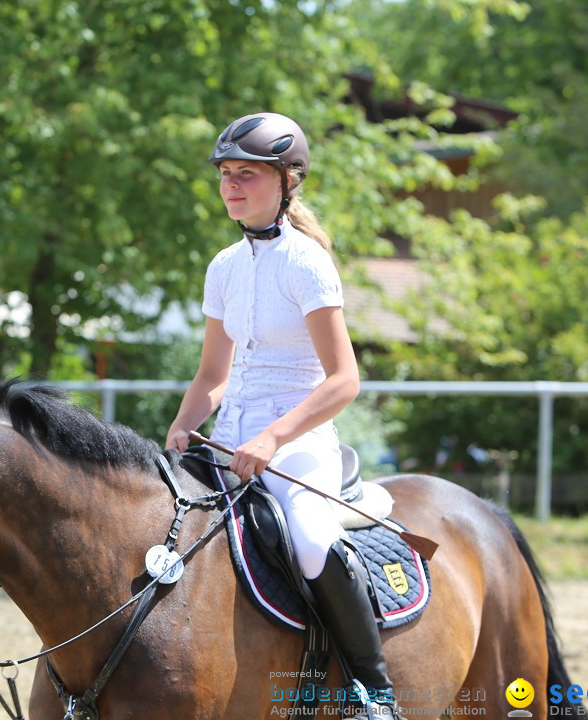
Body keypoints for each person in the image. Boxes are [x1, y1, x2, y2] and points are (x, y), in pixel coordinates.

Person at [165, 112, 401, 719]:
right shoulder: (223, 266)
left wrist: (273, 437)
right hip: (226, 440)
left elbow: (345, 379)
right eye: (225, 174)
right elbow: (213, 376)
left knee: (313, 543)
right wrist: (180, 428)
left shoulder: (307, 263)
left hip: (297, 442)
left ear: (287, 181)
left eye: (247, 174)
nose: (231, 186)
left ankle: (373, 693)